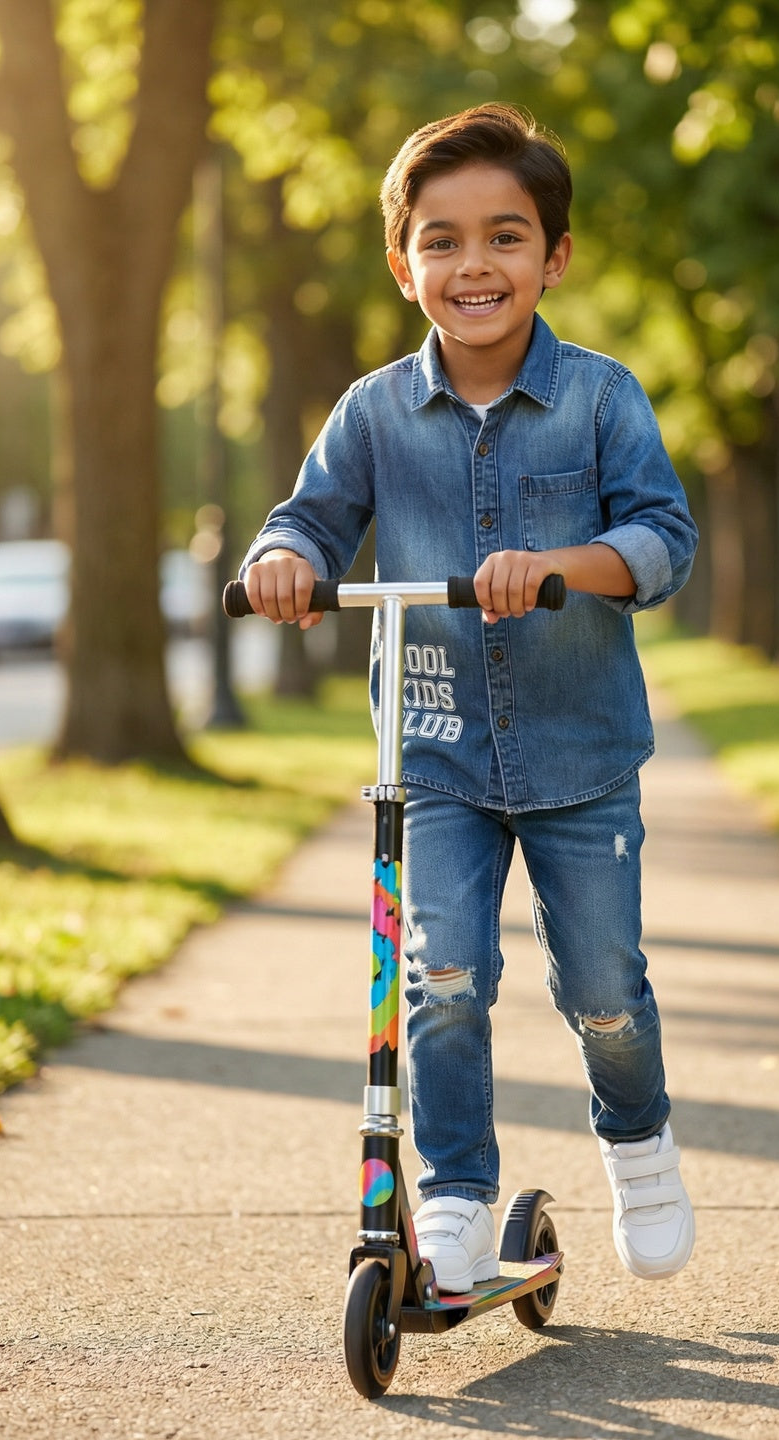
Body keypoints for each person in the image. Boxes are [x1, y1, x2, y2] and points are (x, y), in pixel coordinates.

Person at [240, 103, 699, 1290]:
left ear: (554, 257)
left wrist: (560, 567)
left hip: (579, 752)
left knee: (603, 986)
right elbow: (307, 523)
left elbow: (660, 537)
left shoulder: (601, 399)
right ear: (404, 266)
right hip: (433, 755)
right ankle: (449, 1195)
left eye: (505, 236)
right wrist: (280, 563)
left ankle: (639, 1144)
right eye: (441, 241)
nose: (473, 264)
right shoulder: (373, 413)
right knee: (439, 979)